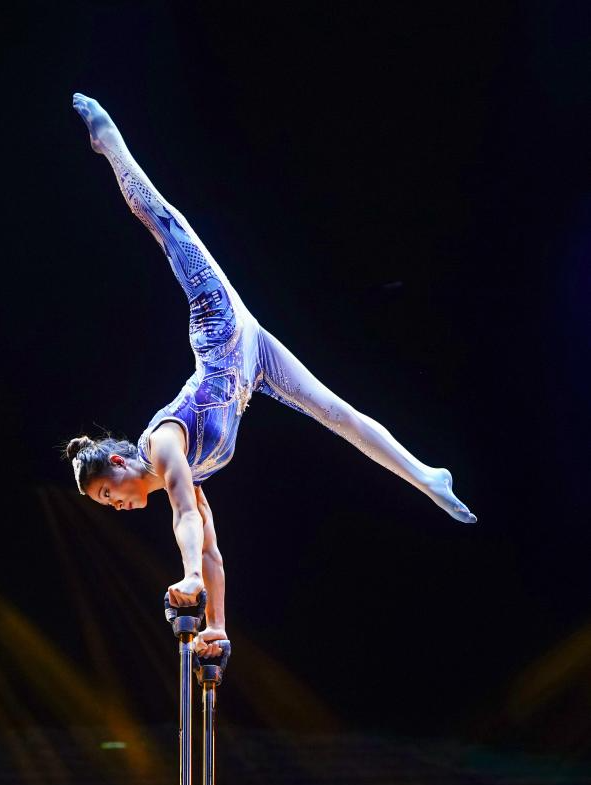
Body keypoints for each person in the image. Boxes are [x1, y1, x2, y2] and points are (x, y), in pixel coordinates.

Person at [65, 94, 476, 656]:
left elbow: (184, 518)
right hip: (253, 362)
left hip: (217, 322)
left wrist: (188, 580)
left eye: (108, 496)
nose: (117, 507)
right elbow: (210, 549)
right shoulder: (187, 475)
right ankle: (427, 477)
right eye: (108, 506)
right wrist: (216, 626)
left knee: (166, 224)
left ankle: (110, 144)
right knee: (336, 414)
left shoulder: (161, 445)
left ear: (118, 464)